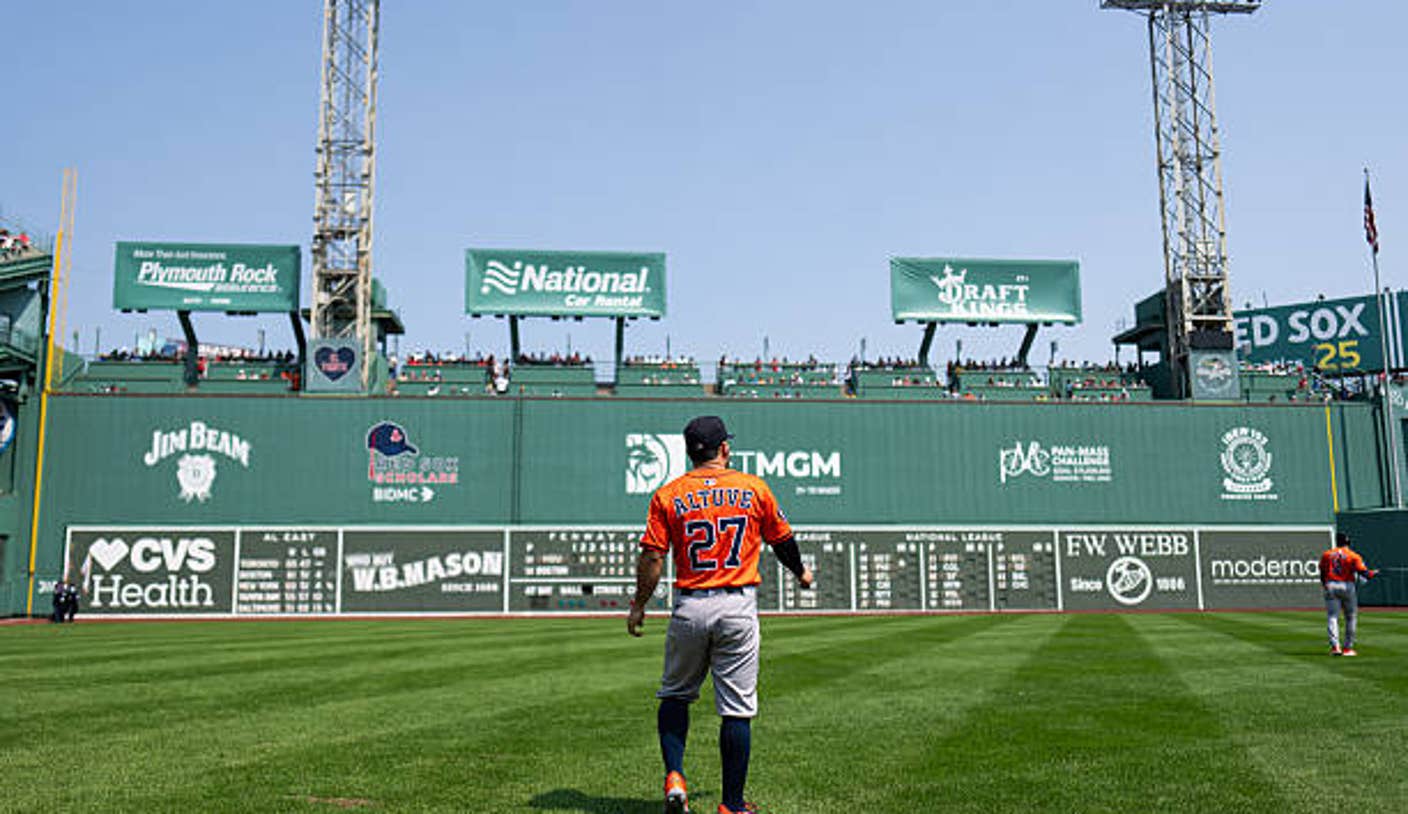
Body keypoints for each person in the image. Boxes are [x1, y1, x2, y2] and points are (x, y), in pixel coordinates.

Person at [627, 416, 814, 814]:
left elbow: (653, 557)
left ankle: (675, 775)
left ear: (689, 452)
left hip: (690, 606)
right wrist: (800, 572)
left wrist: (639, 604)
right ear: (724, 449)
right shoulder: (752, 487)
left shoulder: (668, 494)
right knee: (737, 709)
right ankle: (731, 805)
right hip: (737, 605)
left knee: (675, 695)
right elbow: (783, 540)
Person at [1319, 531, 1378, 656]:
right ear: (1348, 543)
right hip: (1347, 585)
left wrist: (1325, 585)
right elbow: (1364, 573)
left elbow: (1322, 572)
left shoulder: (1327, 554)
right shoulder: (1353, 555)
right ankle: (1347, 648)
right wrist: (1372, 573)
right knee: (1350, 617)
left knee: (1332, 617)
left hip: (1331, 584)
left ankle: (1335, 647)